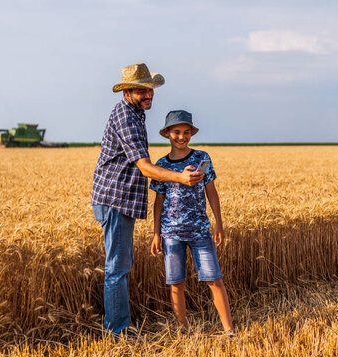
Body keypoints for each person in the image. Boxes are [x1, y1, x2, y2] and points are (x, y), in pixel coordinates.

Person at [91, 63, 204, 336]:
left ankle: (118, 327)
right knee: (117, 268)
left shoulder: (134, 112)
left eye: (150, 89)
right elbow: (144, 167)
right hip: (115, 199)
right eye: (142, 90)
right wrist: (180, 178)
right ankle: (117, 331)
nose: (148, 95)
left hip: (121, 200)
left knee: (121, 265)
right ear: (128, 91)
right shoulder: (127, 118)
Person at [150, 110, 234, 335]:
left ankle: (229, 330)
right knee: (176, 284)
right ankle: (183, 330)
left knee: (214, 280)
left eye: (186, 132)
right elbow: (158, 203)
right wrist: (156, 233)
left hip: (200, 231)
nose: (181, 137)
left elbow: (211, 192)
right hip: (171, 233)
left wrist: (219, 223)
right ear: (167, 133)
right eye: (176, 132)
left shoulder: (202, 159)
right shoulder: (160, 165)